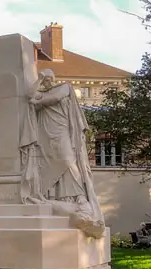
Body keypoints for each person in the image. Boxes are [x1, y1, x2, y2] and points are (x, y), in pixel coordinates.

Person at [25, 68, 105, 238]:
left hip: (61, 132)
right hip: (45, 135)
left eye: (49, 77)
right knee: (48, 167)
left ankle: (79, 196)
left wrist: (39, 100)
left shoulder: (64, 87)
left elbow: (50, 98)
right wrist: (38, 80)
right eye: (45, 78)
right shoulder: (40, 91)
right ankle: (55, 196)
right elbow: (29, 97)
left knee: (69, 163)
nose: (48, 80)